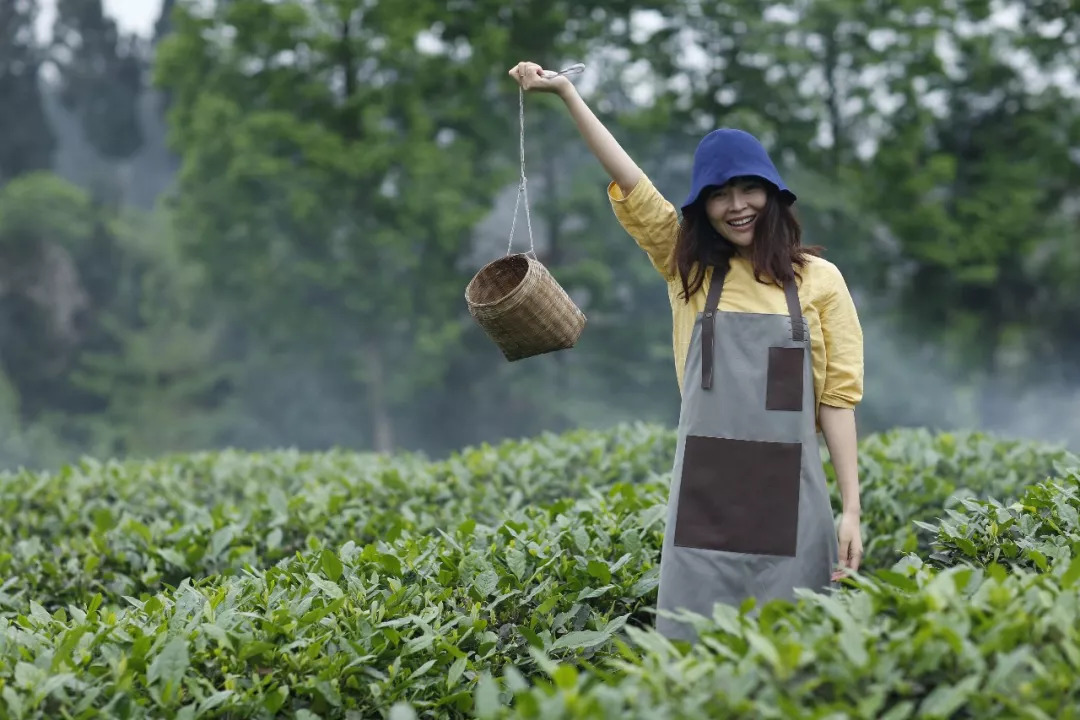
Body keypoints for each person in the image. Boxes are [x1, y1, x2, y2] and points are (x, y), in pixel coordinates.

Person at [508, 61, 865, 643]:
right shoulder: (689, 268)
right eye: (720, 195)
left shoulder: (820, 281)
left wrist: (850, 508)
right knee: (692, 657)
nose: (737, 205)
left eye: (748, 188)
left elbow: (838, 401)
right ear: (704, 208)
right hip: (705, 503)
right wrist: (567, 94)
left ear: (772, 194)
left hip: (794, 504)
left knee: (795, 662)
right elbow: (633, 184)